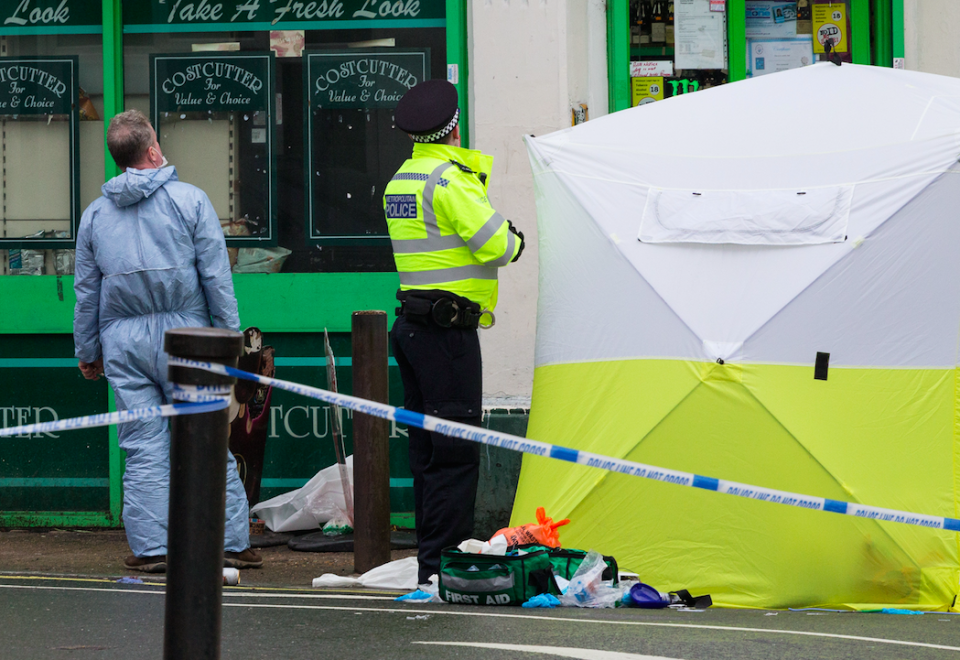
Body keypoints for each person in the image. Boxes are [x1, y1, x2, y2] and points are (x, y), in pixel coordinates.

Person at [73, 109, 261, 573]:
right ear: (153, 150)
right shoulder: (190, 201)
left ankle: (154, 548)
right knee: (207, 440)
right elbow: (217, 279)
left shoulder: (95, 215)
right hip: (190, 340)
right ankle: (231, 542)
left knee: (142, 446)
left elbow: (86, 292)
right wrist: (231, 342)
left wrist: (88, 351)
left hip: (123, 343)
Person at [384, 80, 524, 585]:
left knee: (427, 453)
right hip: (447, 335)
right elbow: (497, 246)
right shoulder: (450, 179)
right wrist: (517, 236)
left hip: (413, 328)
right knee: (455, 453)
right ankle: (446, 567)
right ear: (455, 127)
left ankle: (429, 566)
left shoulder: (402, 179)